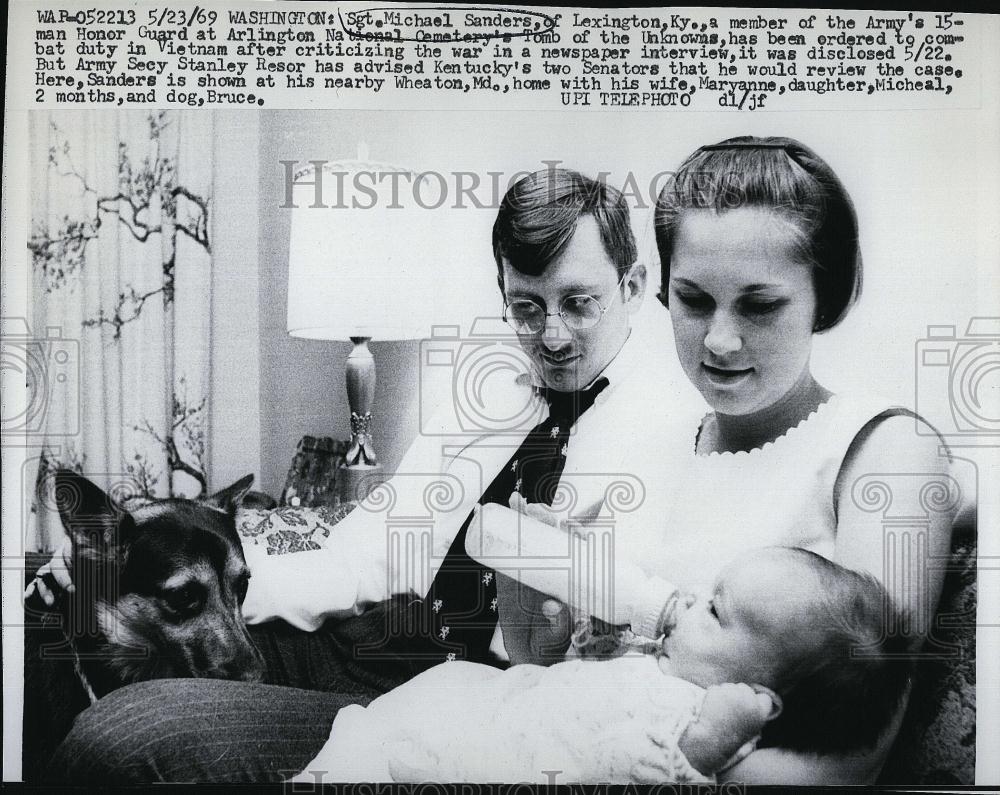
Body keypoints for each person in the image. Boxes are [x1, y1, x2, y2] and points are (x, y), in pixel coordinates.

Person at [41, 167, 691, 783]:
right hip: (372, 638)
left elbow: (638, 651)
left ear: (632, 288)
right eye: (526, 307)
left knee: (127, 733)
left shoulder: (678, 427)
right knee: (59, 625)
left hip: (462, 697)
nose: (550, 335)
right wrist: (120, 572)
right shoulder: (491, 396)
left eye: (579, 303)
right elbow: (364, 554)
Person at [476, 136, 956, 784]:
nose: (720, 340)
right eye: (694, 300)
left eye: (759, 304)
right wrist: (533, 596)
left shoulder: (886, 450)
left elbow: (850, 760)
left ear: (826, 294)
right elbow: (542, 672)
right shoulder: (643, 439)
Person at [291, 547, 911, 784]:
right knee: (366, 734)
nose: (691, 599)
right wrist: (583, 649)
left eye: (716, 610)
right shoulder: (667, 667)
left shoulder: (693, 716)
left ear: (757, 696)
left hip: (467, 751)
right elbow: (582, 691)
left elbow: (651, 773)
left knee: (364, 747)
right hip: (473, 706)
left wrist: (712, 737)